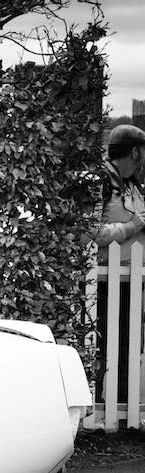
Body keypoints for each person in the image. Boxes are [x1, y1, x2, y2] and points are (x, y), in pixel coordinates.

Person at [94, 124, 145, 402]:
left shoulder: (133, 184)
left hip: (131, 279)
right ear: (135, 152)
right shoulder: (102, 182)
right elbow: (91, 232)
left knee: (129, 345)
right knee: (107, 344)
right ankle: (103, 406)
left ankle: (122, 404)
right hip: (105, 280)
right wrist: (132, 227)